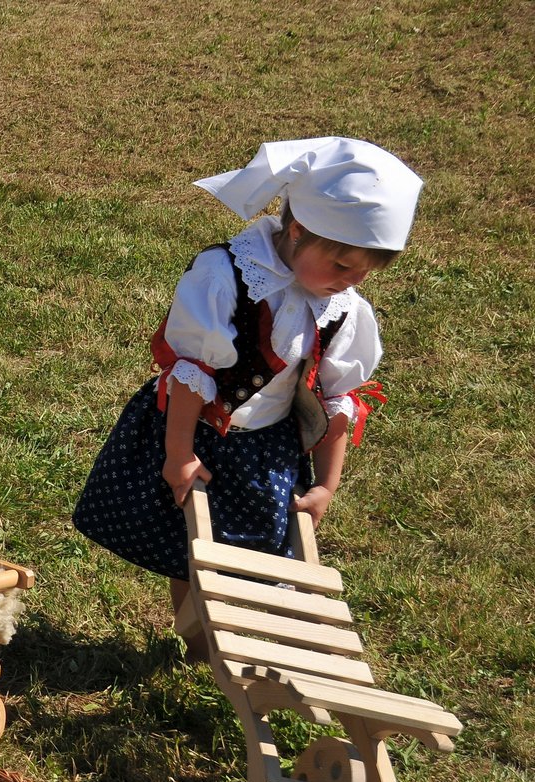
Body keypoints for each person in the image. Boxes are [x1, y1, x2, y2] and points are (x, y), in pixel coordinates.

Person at [71, 137, 422, 654]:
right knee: (189, 546)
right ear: (297, 230)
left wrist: (326, 484)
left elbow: (337, 400)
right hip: (198, 434)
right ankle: (198, 643)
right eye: (341, 266)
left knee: (257, 551)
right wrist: (178, 453)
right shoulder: (224, 276)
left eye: (367, 272)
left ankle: (248, 643)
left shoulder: (344, 308)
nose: (352, 282)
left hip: (266, 448)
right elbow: (191, 372)